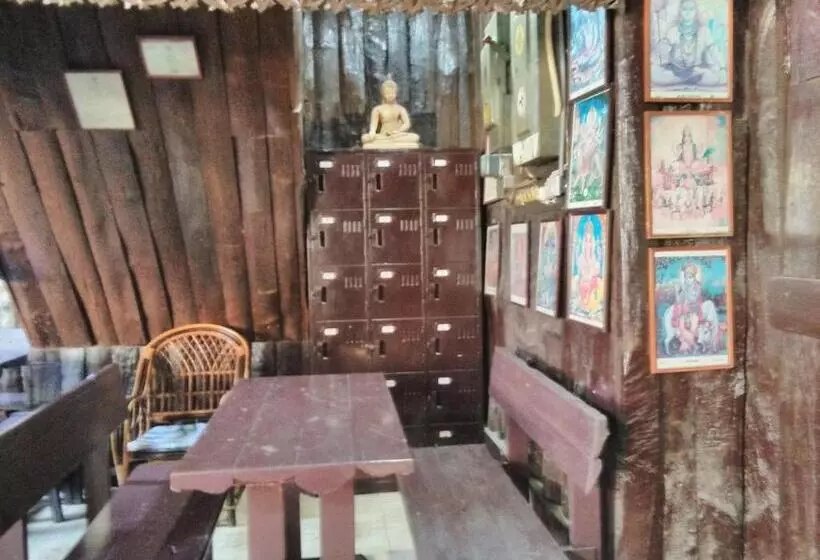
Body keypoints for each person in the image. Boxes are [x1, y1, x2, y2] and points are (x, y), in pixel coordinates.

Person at [651, 0, 727, 88]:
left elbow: (714, 51)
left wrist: (722, 67)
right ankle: (688, 80)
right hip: (676, 71)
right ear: (680, 12)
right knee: (654, 73)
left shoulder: (704, 31)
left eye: (691, 9)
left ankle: (685, 80)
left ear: (696, 12)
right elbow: (661, 56)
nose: (688, 13)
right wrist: (662, 47)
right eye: (684, 9)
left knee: (720, 76)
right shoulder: (673, 31)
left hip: (697, 71)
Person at [361, 76, 420, 150]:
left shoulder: (400, 109)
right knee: (365, 138)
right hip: (383, 136)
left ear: (396, 93)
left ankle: (389, 143)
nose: (390, 95)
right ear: (383, 94)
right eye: (387, 93)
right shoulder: (377, 109)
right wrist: (372, 132)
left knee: (415, 137)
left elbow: (407, 124)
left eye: (392, 93)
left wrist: (398, 131)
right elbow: (374, 125)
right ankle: (388, 142)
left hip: (397, 135)